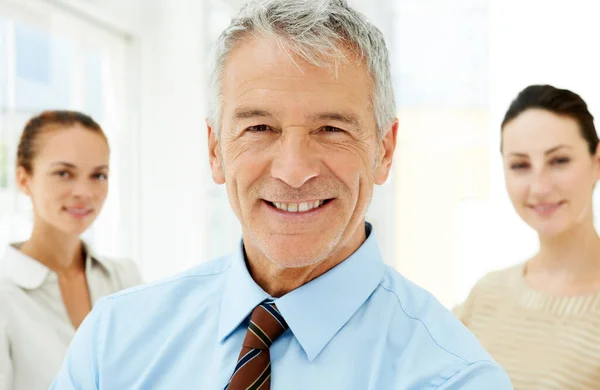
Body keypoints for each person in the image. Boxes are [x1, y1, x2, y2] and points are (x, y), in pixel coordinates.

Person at [50, 1, 512, 389]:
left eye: (331, 129)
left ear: (384, 151)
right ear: (216, 151)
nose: (293, 171)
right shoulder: (112, 344)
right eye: (259, 127)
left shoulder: (454, 378)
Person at [454, 84, 600, 389]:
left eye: (559, 161)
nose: (540, 187)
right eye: (520, 165)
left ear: (596, 162)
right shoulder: (486, 296)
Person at [0, 111, 142, 390]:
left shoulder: (124, 278)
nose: (84, 192)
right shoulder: (6, 295)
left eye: (98, 175)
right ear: (23, 179)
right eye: (64, 173)